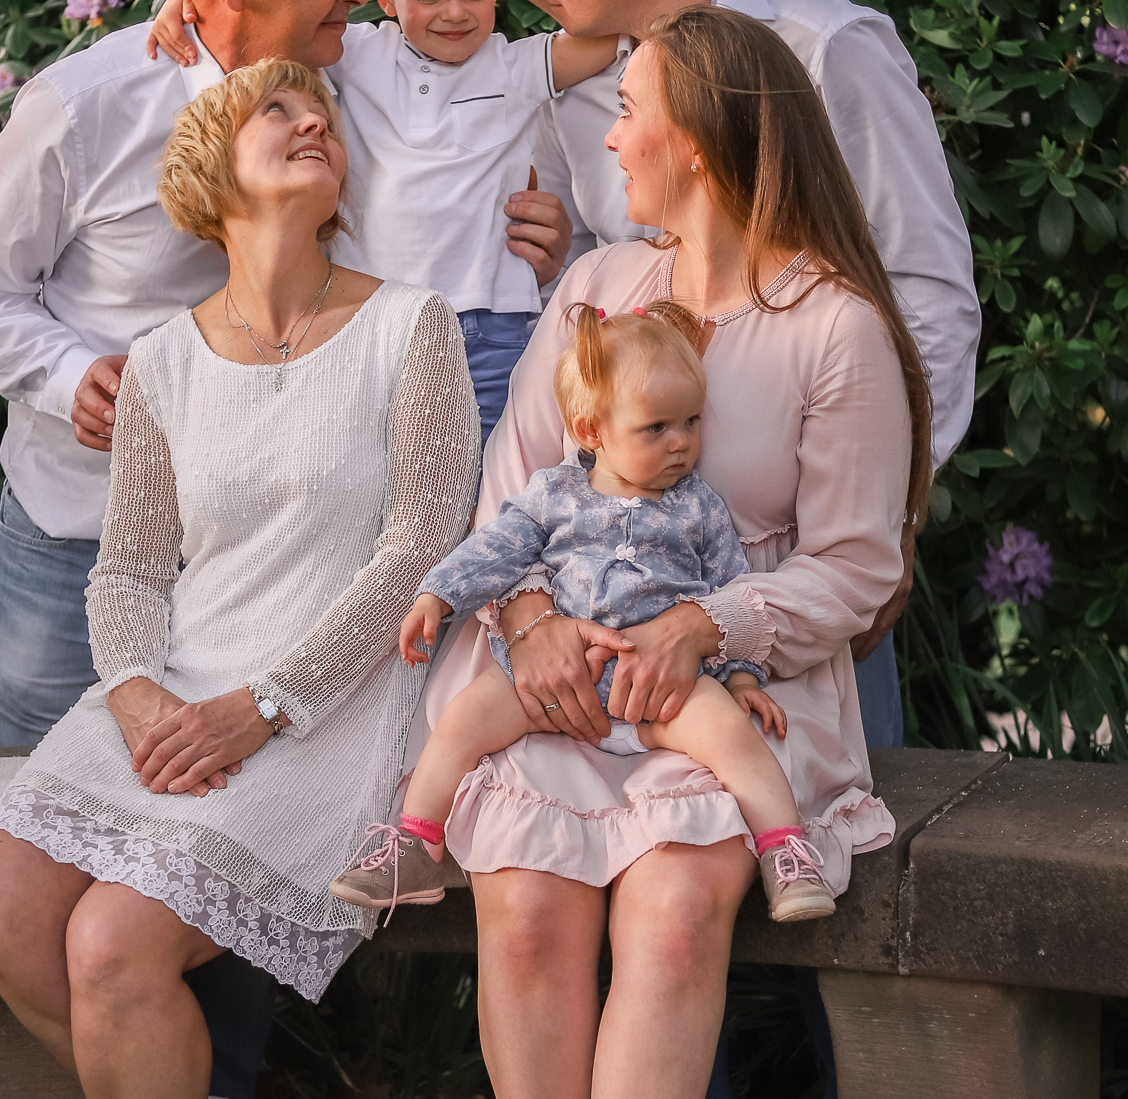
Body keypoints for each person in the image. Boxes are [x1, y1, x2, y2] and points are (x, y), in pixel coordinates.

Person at [0, 0, 566, 1099]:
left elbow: (492, 169)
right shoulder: (86, 103)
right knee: (26, 884)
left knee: (161, 909)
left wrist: (550, 238)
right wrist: (73, 377)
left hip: (309, 576)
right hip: (89, 532)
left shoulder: (363, 88)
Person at [415, 6, 930, 1099]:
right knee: (523, 910)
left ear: (697, 140)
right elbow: (514, 493)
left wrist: (711, 622)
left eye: (628, 107)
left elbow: (858, 565)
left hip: (733, 690)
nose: (612, 135)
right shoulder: (597, 288)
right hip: (566, 671)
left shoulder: (833, 325)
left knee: (679, 910)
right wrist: (529, 623)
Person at [0, 58, 479, 1099]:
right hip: (177, 685)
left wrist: (266, 706)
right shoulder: (165, 361)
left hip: (337, 703)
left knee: (113, 946)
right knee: (1, 901)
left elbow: (422, 546)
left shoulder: (410, 325)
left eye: (322, 113)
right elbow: (128, 570)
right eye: (274, 112)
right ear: (208, 171)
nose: (311, 122)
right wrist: (138, 696)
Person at [500, 0, 980, 1099]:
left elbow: (926, 297)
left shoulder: (829, 50)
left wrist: (875, 509)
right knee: (640, 855)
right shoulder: (586, 77)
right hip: (625, 556)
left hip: (793, 535)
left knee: (828, 856)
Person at [332, 298, 833, 925]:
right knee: (461, 721)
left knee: (735, 738)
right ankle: (416, 844)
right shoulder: (555, 494)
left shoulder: (699, 505)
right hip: (552, 687)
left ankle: (785, 851)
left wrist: (740, 679)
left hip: (663, 690)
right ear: (592, 430)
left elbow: (729, 592)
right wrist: (438, 594)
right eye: (656, 428)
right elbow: (497, 548)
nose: (681, 443)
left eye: (691, 421)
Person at [148, 0, 612, 434]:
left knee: (487, 470)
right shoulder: (360, 54)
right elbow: (258, 28)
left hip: (489, 321)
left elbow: (607, 33)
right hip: (374, 319)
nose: (455, 13)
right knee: (381, 464)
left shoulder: (514, 66)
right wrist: (189, 3)